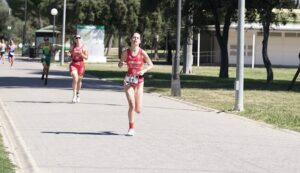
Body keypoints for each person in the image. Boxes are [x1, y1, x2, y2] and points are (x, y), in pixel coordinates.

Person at [118, 32, 154, 136]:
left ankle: (135, 113)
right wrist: (121, 63)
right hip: (128, 80)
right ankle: (131, 128)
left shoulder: (142, 53)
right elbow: (120, 64)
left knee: (138, 109)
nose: (135, 39)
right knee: (131, 105)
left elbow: (151, 64)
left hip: (139, 81)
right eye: (134, 37)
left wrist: (144, 70)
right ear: (131, 39)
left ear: (140, 41)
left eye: (137, 38)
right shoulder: (126, 53)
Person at [69, 34, 88, 103]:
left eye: (79, 38)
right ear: (74, 39)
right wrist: (71, 53)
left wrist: (81, 54)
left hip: (81, 65)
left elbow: (86, 57)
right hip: (73, 64)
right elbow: (70, 54)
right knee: (75, 78)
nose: (78, 39)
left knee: (79, 80)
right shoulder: (72, 46)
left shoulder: (84, 47)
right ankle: (73, 96)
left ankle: (78, 94)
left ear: (81, 39)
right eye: (76, 38)